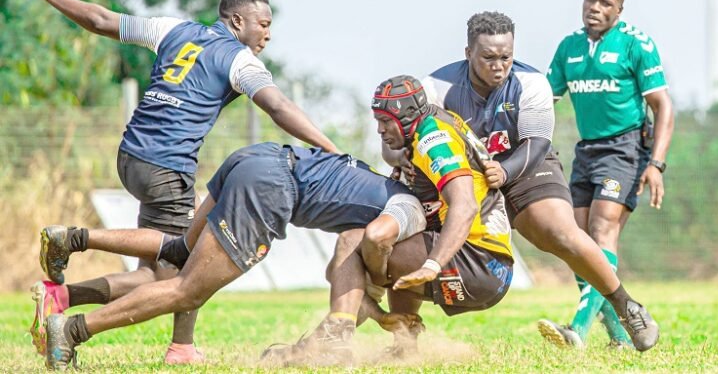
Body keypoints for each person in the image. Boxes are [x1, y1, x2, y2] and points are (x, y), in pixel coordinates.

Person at [9, 0, 339, 364]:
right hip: (167, 166)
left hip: (131, 155)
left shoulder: (172, 28)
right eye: (263, 24)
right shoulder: (240, 60)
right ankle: (80, 246)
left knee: (154, 274)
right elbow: (279, 106)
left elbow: (99, 19)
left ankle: (61, 296)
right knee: (189, 259)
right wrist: (329, 148)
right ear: (238, 21)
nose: (268, 34)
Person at [41, 142, 429, 370]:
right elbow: (370, 243)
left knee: (178, 250)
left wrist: (380, 316)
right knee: (187, 291)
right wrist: (385, 275)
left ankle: (74, 238)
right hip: (271, 189)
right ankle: (72, 331)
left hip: (258, 157)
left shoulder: (373, 178)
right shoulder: (409, 206)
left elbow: (340, 273)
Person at [411, 11, 659, 350]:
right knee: (412, 234)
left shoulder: (531, 82)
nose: (499, 66)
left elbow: (538, 142)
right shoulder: (435, 87)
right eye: (488, 58)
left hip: (524, 165)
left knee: (559, 233)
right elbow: (409, 139)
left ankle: (626, 306)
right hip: (464, 178)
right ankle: (403, 336)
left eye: (506, 57)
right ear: (468, 53)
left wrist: (505, 171)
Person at [264, 75, 517, 364]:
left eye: (386, 121)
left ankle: (331, 344)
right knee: (363, 261)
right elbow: (396, 150)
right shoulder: (434, 123)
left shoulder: (433, 139)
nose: (380, 129)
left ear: (408, 118)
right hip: (493, 269)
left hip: (476, 261)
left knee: (353, 245)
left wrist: (432, 264)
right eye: (377, 121)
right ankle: (403, 345)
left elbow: (465, 205)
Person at [542, 0, 674, 348]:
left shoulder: (636, 44)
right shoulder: (569, 47)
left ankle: (577, 330)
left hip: (626, 149)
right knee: (576, 240)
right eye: (591, 0)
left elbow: (663, 107)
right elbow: (544, 102)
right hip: (587, 150)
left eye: (605, 3)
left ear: (619, 10)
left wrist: (656, 164)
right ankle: (621, 335)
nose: (595, 8)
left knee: (602, 230)